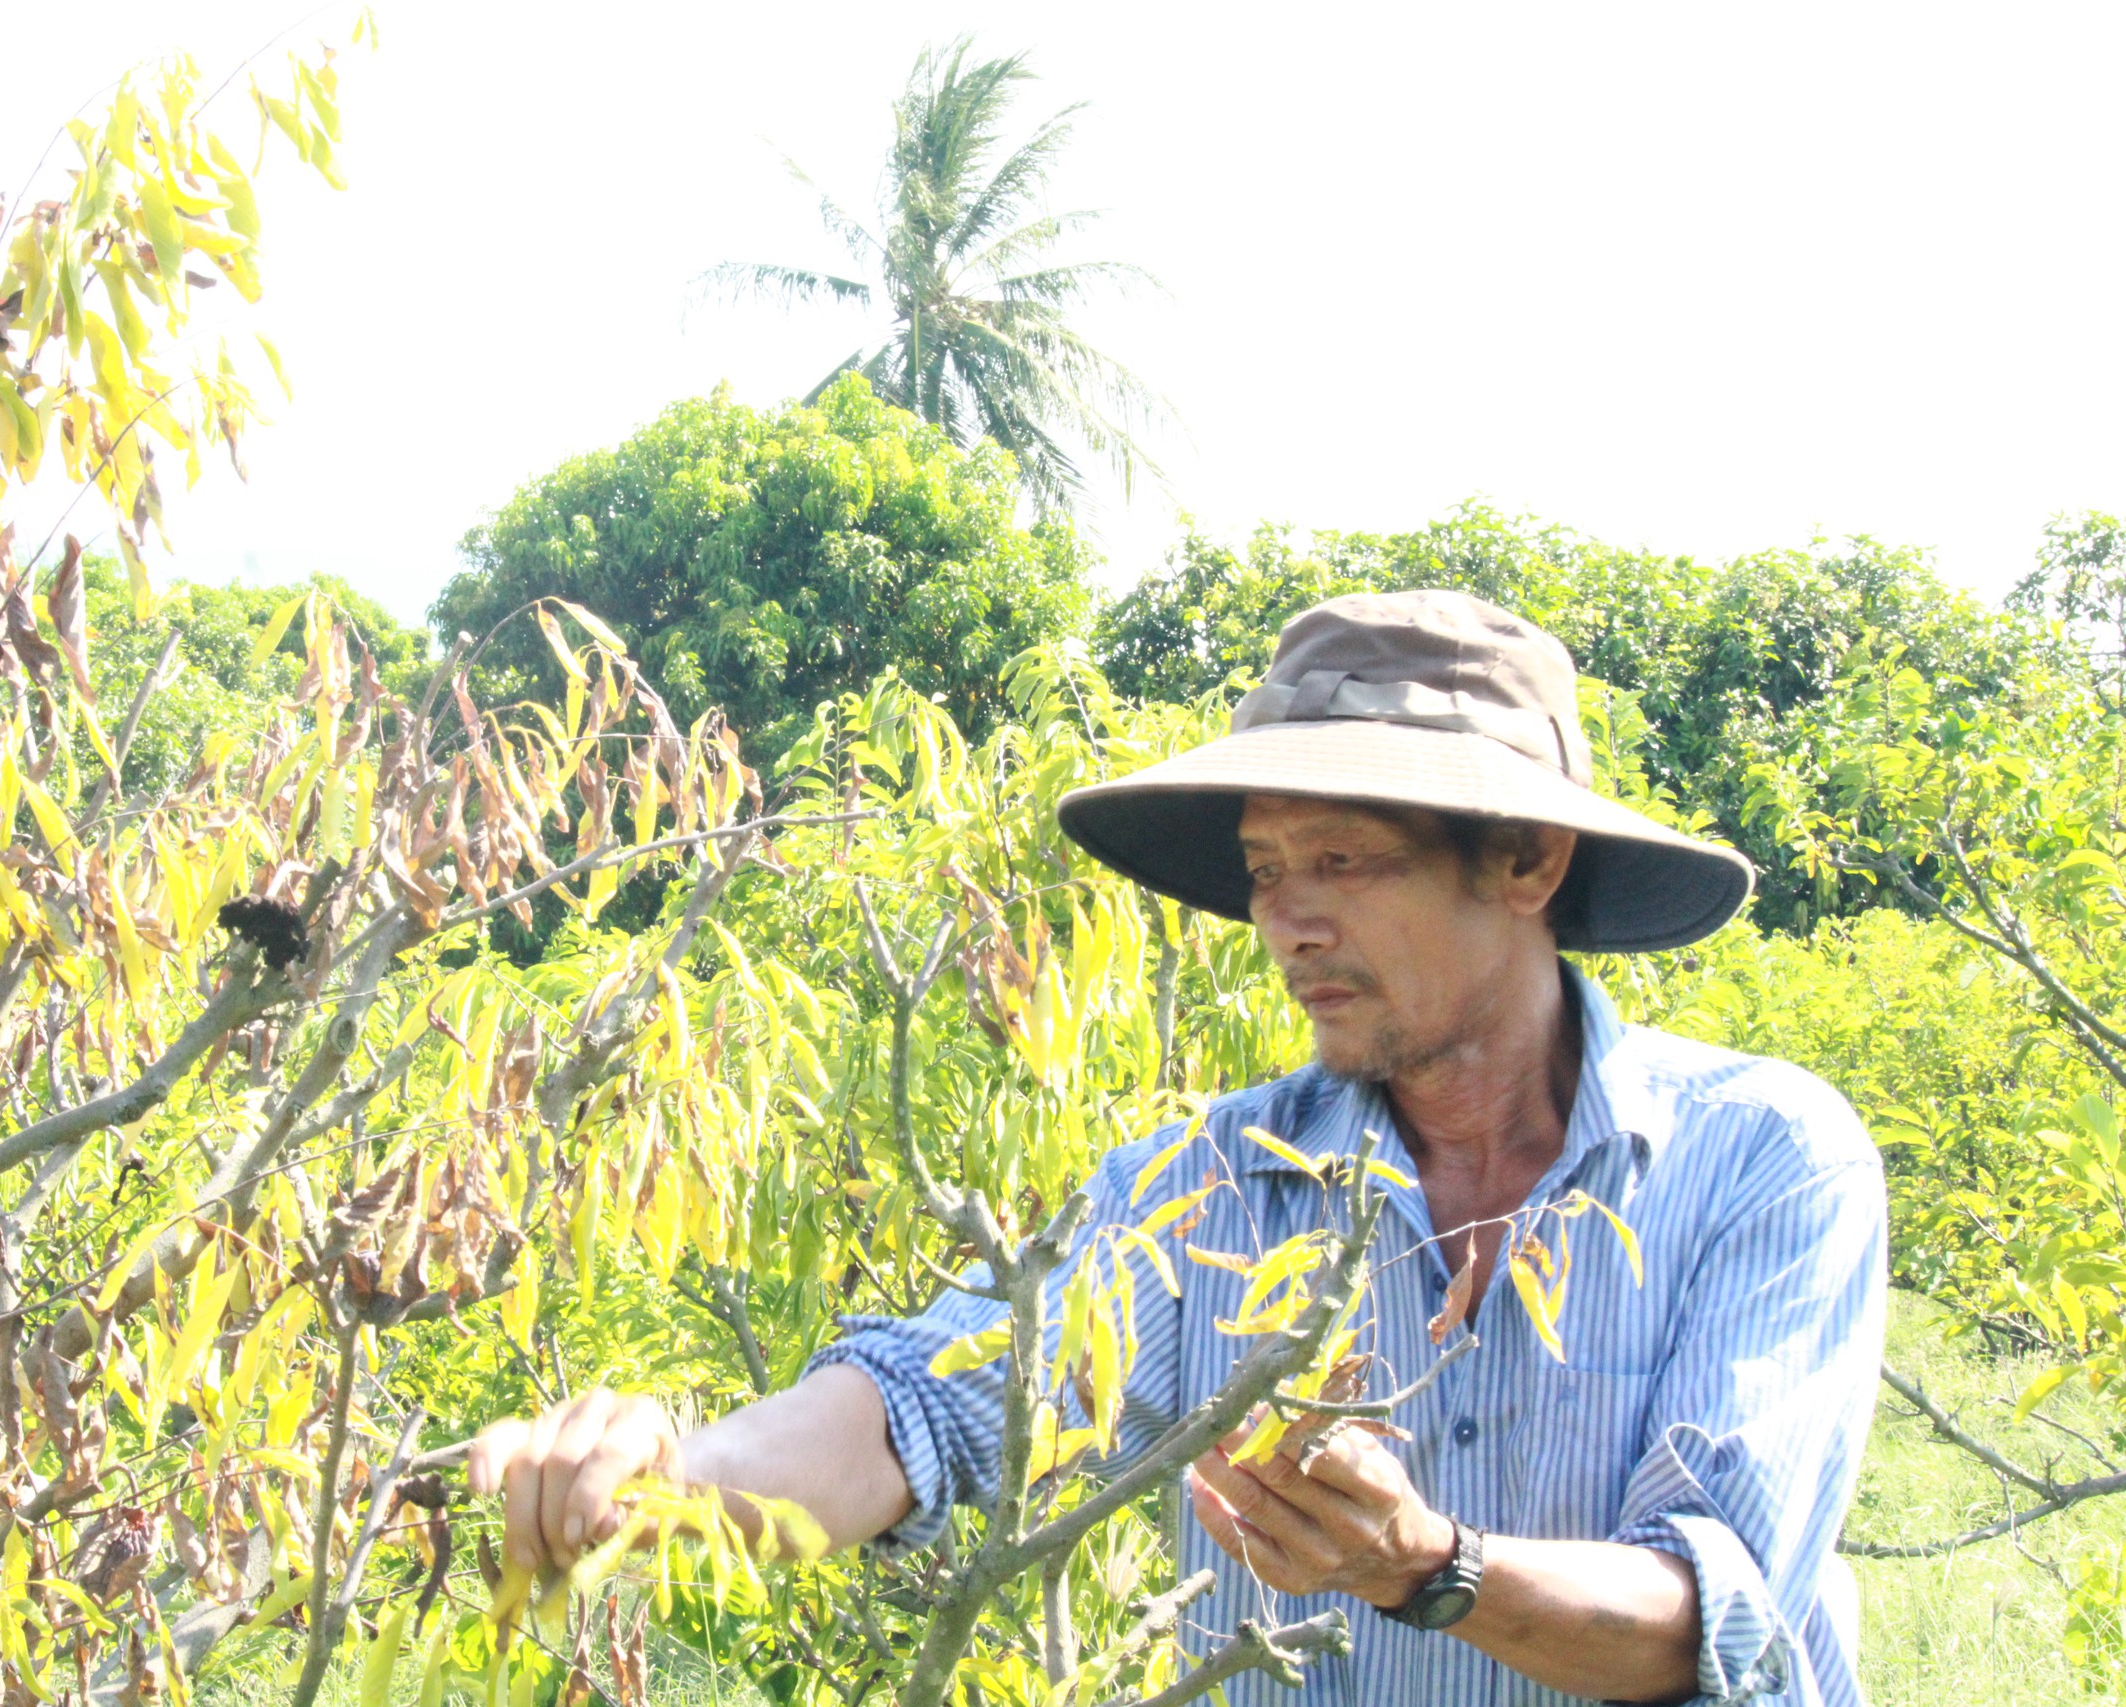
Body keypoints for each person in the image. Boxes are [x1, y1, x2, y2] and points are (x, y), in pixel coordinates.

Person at [469, 591, 1886, 1706]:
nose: (1287, 924)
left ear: (1523, 865)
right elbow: (936, 1400)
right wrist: (665, 1478)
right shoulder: (1209, 1187)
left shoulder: (1760, 1159)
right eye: (1268, 872)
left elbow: (1714, 1615)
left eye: (1343, 862)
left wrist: (1426, 1568)